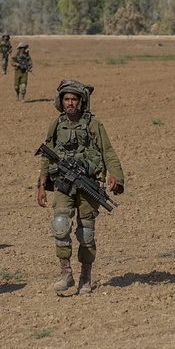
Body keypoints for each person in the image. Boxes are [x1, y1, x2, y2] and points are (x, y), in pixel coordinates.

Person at [36, 79, 124, 295]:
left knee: (86, 233)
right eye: (66, 99)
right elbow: (47, 156)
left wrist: (116, 176)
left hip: (87, 184)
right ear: (61, 101)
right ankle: (66, 274)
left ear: (81, 102)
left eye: (74, 99)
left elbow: (108, 151)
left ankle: (85, 276)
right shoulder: (56, 125)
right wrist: (40, 184)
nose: (70, 103)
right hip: (63, 185)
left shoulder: (93, 124)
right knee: (60, 224)